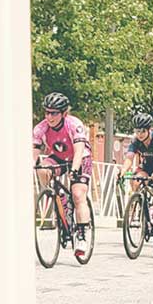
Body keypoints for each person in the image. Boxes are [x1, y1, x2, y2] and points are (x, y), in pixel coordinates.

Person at [32, 92, 92, 248]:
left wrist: (74, 169)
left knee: (78, 194)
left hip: (80, 157)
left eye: (54, 113)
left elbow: (79, 151)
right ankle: (55, 197)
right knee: (42, 168)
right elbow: (33, 155)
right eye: (47, 112)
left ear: (64, 113)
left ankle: (82, 235)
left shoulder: (73, 124)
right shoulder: (41, 128)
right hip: (59, 156)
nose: (49, 117)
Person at [121, 111, 153, 234]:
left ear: (149, 130)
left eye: (142, 131)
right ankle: (137, 209)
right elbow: (129, 158)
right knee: (136, 180)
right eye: (137, 131)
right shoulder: (135, 142)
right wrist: (122, 172)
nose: (139, 134)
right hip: (146, 168)